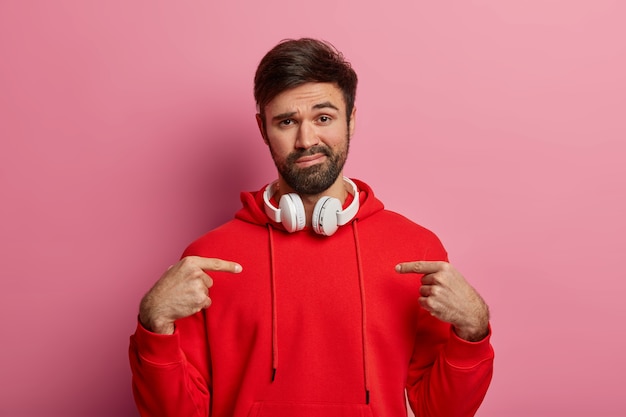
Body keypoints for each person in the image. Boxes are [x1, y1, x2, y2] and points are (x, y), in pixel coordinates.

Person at [129, 38, 494, 417]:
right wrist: (153, 327)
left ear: (351, 119)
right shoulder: (207, 260)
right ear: (262, 128)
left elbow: (443, 411)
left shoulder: (416, 250)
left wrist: (473, 332)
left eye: (323, 118)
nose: (306, 141)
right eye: (287, 122)